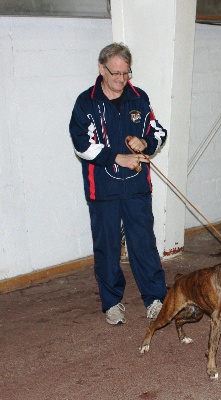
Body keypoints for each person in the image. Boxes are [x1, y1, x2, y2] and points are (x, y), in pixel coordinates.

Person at [69, 43, 168, 324]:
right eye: (116, 73)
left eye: (126, 73)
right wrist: (119, 158)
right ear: (102, 69)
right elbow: (81, 145)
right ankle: (112, 302)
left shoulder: (139, 98)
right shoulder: (85, 102)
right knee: (108, 247)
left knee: (143, 244)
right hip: (103, 189)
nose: (122, 79)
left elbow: (158, 131)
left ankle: (156, 298)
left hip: (136, 187)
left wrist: (145, 142)